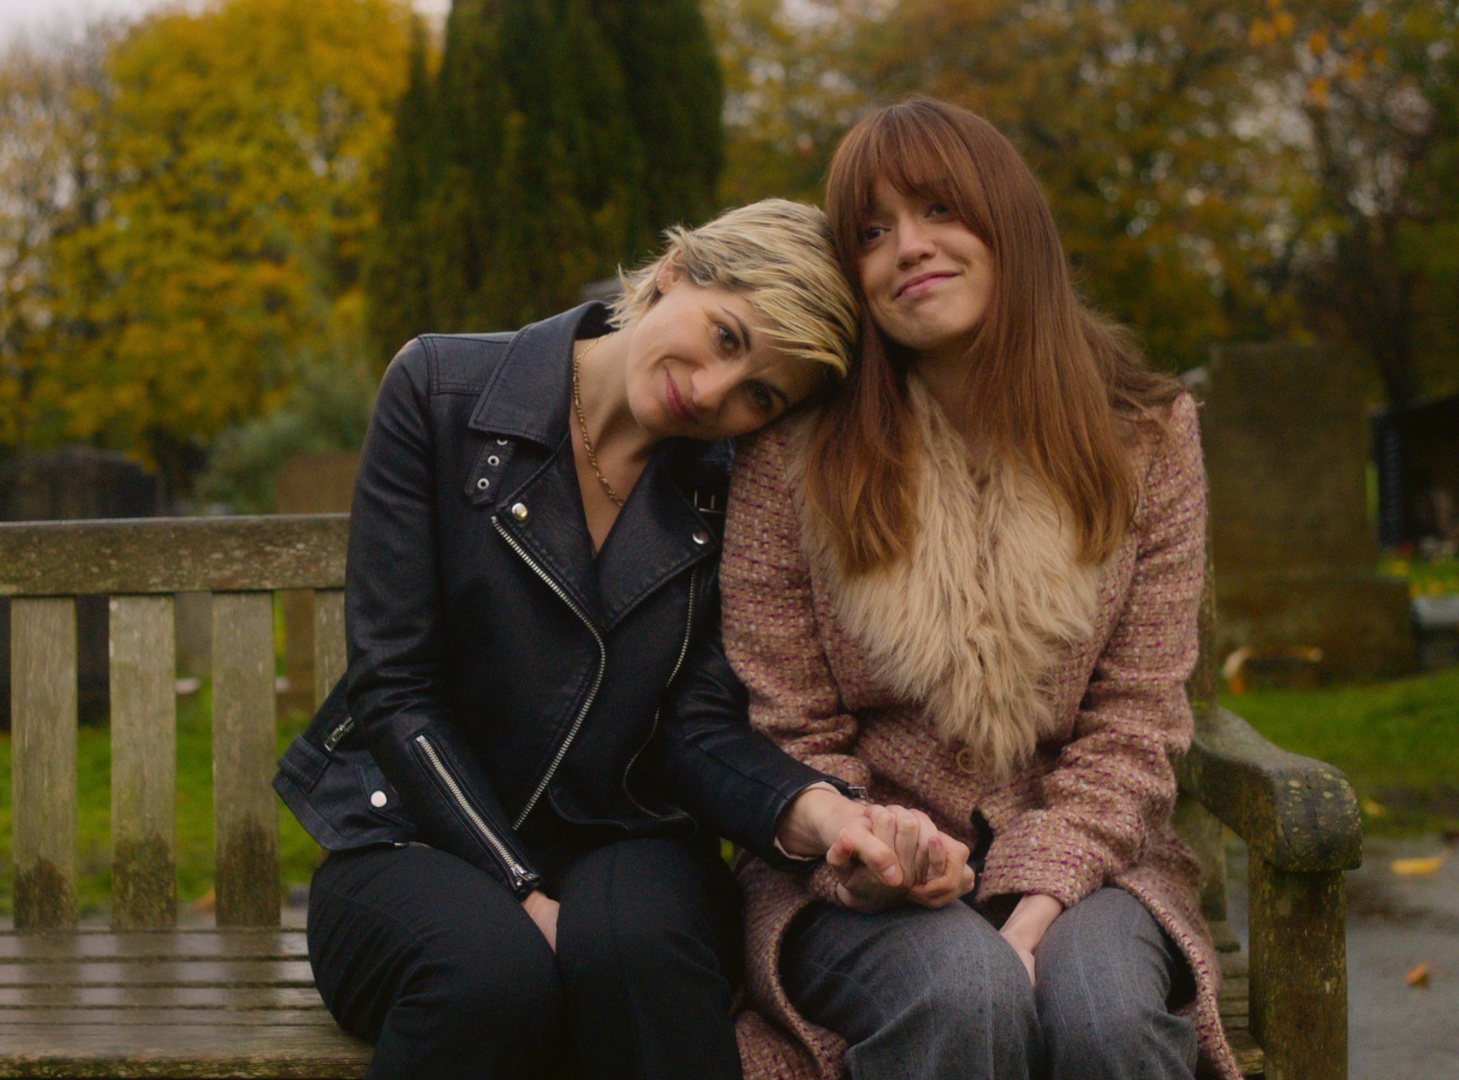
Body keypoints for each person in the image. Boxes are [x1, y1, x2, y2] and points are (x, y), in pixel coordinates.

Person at [275, 199, 971, 1080]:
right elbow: (395, 689)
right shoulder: (442, 390)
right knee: (487, 978)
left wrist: (832, 816)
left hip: (628, 837)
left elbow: (696, 730)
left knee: (636, 959)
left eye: (761, 392)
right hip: (408, 836)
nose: (716, 392)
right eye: (726, 335)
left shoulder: (737, 485)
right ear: (676, 270)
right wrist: (521, 892)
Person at [721, 100, 1242, 1080]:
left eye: (939, 210)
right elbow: (785, 724)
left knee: (1107, 1021)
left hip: (1094, 860)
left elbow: (1136, 719)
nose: (908, 248)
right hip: (850, 874)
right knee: (963, 996)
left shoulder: (1145, 437)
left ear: (1008, 219)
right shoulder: (795, 459)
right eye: (871, 233)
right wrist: (881, 852)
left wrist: (1034, 908)